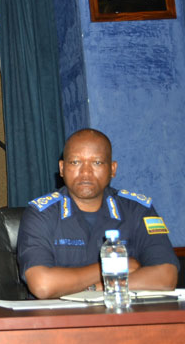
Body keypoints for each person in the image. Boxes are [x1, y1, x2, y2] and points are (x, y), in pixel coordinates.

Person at [17, 128, 178, 299]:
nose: (85, 172)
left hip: (122, 318)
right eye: (75, 162)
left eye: (97, 163)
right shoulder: (41, 214)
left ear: (112, 169)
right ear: (62, 168)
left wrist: (100, 288)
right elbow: (43, 285)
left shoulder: (139, 210)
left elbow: (166, 277)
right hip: (59, 321)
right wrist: (111, 267)